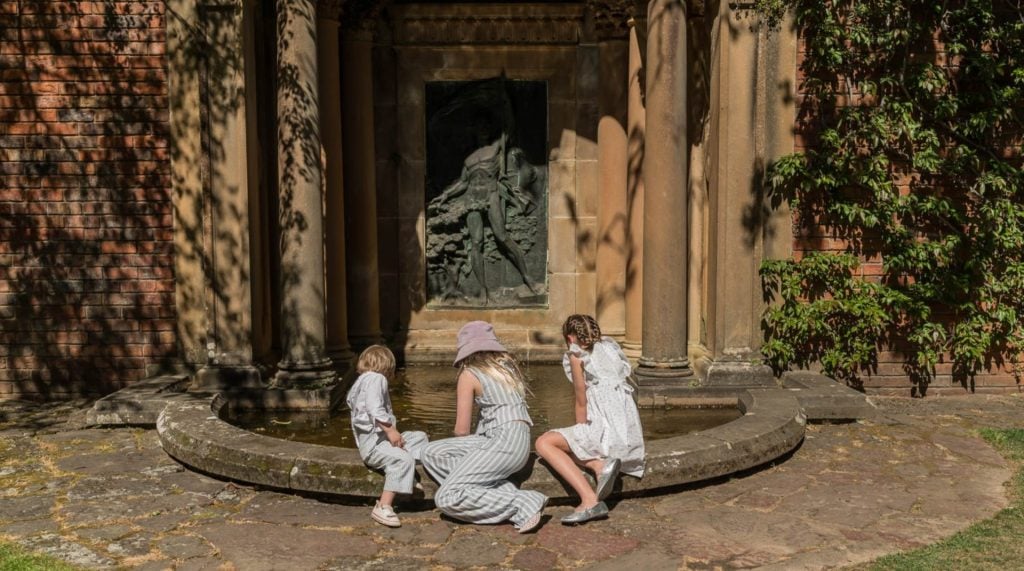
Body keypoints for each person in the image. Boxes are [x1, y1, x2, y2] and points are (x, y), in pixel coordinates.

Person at [420, 321, 548, 533]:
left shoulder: (469, 374)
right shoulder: (507, 368)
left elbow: (461, 431)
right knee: (431, 452)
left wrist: (468, 462)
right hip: (517, 441)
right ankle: (495, 490)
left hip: (502, 443)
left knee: (446, 498)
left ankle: (524, 502)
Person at [534, 314, 646, 524]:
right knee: (568, 443)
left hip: (607, 432)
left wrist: (581, 432)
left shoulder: (576, 355)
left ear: (570, 338)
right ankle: (597, 466)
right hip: (628, 437)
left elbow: (581, 400)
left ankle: (589, 501)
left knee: (544, 443)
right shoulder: (610, 348)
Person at [427, 125, 540, 301]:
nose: (483, 131)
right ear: (474, 132)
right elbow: (463, 183)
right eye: (479, 128)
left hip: (491, 194)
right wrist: (445, 195)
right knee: (476, 242)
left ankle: (527, 277)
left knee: (502, 237)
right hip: (472, 198)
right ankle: (482, 290)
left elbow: (508, 128)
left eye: (485, 126)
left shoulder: (496, 146)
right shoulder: (469, 160)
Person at [346, 345, 429, 528]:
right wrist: (390, 430)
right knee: (404, 460)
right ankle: (383, 506)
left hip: (377, 441)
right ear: (388, 367)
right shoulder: (377, 378)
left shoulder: (361, 381)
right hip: (374, 446)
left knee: (418, 437)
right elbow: (375, 409)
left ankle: (408, 479)